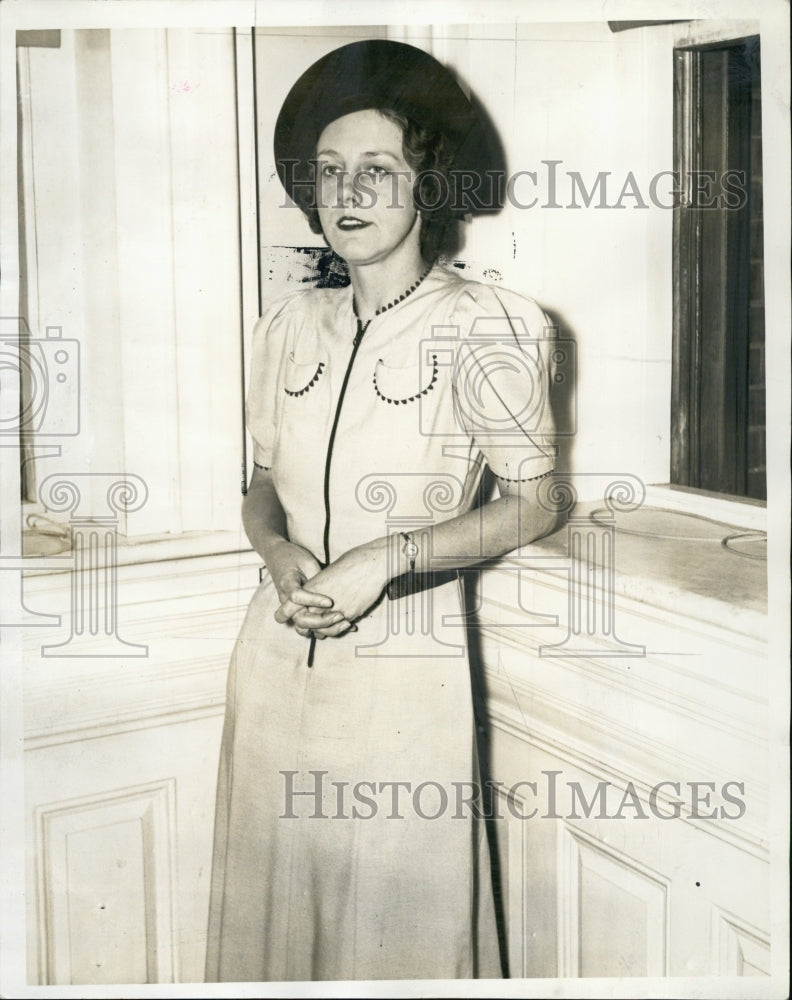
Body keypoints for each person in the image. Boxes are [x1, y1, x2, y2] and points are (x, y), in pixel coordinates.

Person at [205, 39, 557, 983]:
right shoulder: (288, 325)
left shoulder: (486, 324)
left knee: (395, 933)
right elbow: (261, 483)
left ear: (427, 183)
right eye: (328, 171)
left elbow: (536, 501)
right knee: (271, 920)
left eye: (376, 169)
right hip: (273, 658)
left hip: (403, 675)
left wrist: (385, 559)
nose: (346, 193)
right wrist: (276, 551)